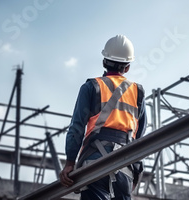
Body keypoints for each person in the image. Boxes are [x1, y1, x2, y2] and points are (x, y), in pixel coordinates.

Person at [60, 35, 147, 200]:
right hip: (125, 166)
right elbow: (139, 137)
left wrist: (70, 163)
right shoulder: (138, 93)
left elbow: (76, 128)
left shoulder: (91, 87)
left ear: (104, 62)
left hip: (95, 165)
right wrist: (136, 168)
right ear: (127, 67)